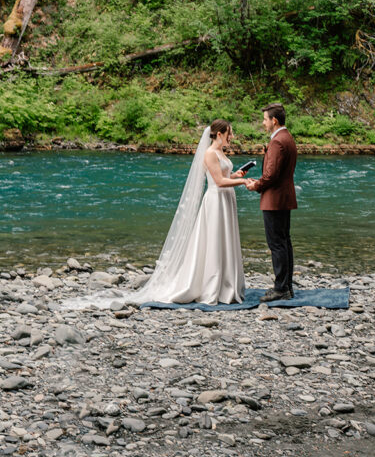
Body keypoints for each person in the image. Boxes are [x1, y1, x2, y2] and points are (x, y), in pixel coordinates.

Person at [62, 119, 248, 308]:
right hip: (216, 201)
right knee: (214, 242)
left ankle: (226, 285)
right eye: (229, 133)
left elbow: (224, 177)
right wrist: (244, 182)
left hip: (226, 200)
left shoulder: (220, 152)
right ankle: (211, 286)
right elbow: (217, 182)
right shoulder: (209, 153)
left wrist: (236, 176)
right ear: (219, 134)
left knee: (225, 241)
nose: (231, 137)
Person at [245, 104, 298, 303]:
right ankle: (286, 287)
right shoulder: (288, 138)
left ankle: (281, 288)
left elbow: (271, 175)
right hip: (284, 197)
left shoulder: (277, 142)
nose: (263, 123)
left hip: (274, 200)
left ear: (274, 121)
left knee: (276, 244)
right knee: (284, 242)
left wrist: (255, 185)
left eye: (265, 119)